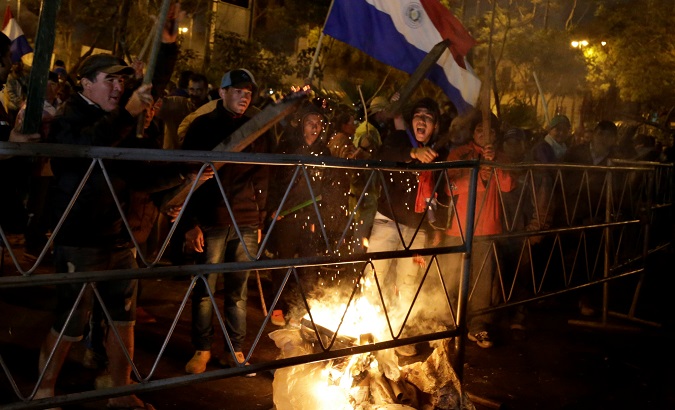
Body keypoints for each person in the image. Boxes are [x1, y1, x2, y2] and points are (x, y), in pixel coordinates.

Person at [35, 54, 157, 410]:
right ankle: (44, 392)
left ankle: (120, 390)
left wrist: (180, 183)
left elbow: (137, 170)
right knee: (72, 318)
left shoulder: (116, 120)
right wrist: (125, 115)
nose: (118, 87)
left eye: (122, 81)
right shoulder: (69, 117)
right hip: (80, 235)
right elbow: (83, 149)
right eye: (110, 80)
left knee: (124, 318)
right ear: (86, 82)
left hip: (117, 231)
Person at [180, 68, 269, 376]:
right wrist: (190, 222)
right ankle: (202, 349)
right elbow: (187, 177)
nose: (245, 97)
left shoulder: (256, 130)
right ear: (222, 92)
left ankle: (235, 348)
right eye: (238, 91)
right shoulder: (202, 127)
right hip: (211, 219)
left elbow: (263, 175)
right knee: (205, 287)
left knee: (238, 290)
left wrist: (260, 215)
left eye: (249, 93)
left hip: (245, 218)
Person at [364, 97, 447, 357]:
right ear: (411, 121)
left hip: (418, 228)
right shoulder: (400, 140)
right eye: (418, 115)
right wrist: (413, 154)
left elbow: (440, 191)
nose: (422, 120)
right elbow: (384, 155)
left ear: (434, 126)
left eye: (428, 117)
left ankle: (399, 335)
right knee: (375, 276)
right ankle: (369, 331)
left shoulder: (438, 152)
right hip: (387, 221)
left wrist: (438, 228)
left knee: (409, 285)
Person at [442, 112, 515, 348]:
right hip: (460, 228)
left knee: (483, 281)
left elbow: (508, 186)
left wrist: (493, 164)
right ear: (473, 133)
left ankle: (478, 326)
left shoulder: (501, 157)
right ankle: (447, 323)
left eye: (490, 131)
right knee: (452, 278)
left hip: (487, 227)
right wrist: (474, 175)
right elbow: (449, 187)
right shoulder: (459, 154)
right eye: (480, 131)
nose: (485, 135)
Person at [265, 101, 332, 326]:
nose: (315, 127)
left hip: (311, 216)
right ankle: (277, 307)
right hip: (286, 214)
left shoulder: (324, 152)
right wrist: (273, 207)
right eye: (310, 122)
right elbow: (273, 178)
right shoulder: (287, 147)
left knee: (309, 266)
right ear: (302, 125)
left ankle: (301, 310)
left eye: (318, 123)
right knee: (282, 264)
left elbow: (331, 184)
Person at [351, 96, 391, 252]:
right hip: (364, 188)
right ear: (379, 112)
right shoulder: (366, 130)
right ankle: (356, 264)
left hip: (371, 188)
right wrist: (364, 146)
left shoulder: (376, 130)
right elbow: (359, 155)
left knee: (364, 229)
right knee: (361, 230)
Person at [156, 73, 209, 149]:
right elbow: (155, 104)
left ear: (206, 90)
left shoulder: (212, 109)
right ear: (188, 89)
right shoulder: (176, 104)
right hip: (172, 157)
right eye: (192, 89)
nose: (195, 93)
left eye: (199, 90)